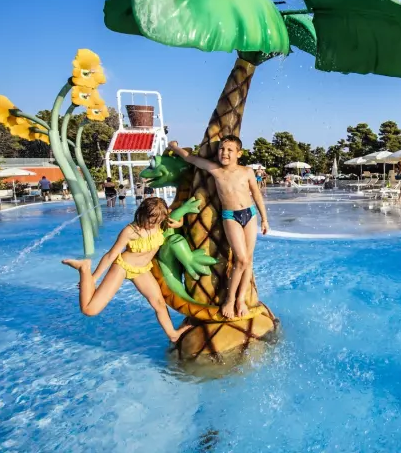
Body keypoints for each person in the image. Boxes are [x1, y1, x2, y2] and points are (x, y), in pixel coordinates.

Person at [61, 197, 192, 342]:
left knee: (159, 303)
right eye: (150, 221)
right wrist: (94, 278)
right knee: (89, 310)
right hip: (122, 267)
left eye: (157, 221)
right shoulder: (130, 231)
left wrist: (180, 223)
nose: (152, 225)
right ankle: (84, 268)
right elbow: (111, 255)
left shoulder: (161, 218)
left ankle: (172, 334)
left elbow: (178, 212)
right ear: (142, 214)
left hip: (142, 270)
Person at [168, 136, 269, 319]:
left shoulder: (247, 172)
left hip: (250, 214)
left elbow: (256, 194)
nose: (224, 153)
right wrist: (174, 148)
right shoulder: (216, 170)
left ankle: (240, 300)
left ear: (239, 153)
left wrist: (264, 219)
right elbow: (191, 158)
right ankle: (230, 300)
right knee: (241, 259)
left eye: (230, 150)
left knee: (248, 260)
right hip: (230, 216)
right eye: (222, 149)